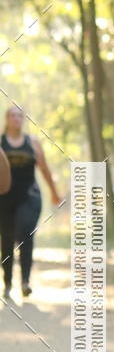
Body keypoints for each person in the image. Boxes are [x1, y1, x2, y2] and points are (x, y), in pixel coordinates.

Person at [0, 106, 62, 299]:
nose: (16, 119)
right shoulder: (1, 143)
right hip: (4, 197)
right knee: (7, 238)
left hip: (29, 196)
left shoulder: (32, 143)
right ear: (6, 119)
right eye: (13, 116)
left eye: (20, 116)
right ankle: (8, 282)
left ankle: (25, 281)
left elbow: (44, 169)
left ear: (23, 120)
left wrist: (54, 192)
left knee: (25, 232)